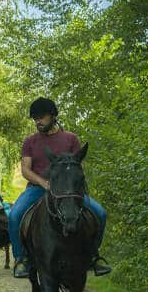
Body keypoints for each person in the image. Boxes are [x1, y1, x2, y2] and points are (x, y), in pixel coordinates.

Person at [9, 97, 111, 279]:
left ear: (53, 116)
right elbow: (25, 169)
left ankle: (93, 256)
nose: (38, 121)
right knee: (14, 215)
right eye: (35, 118)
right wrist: (43, 183)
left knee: (101, 213)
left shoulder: (71, 139)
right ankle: (21, 259)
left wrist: (70, 187)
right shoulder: (30, 142)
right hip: (37, 188)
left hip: (68, 191)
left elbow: (79, 167)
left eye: (41, 117)